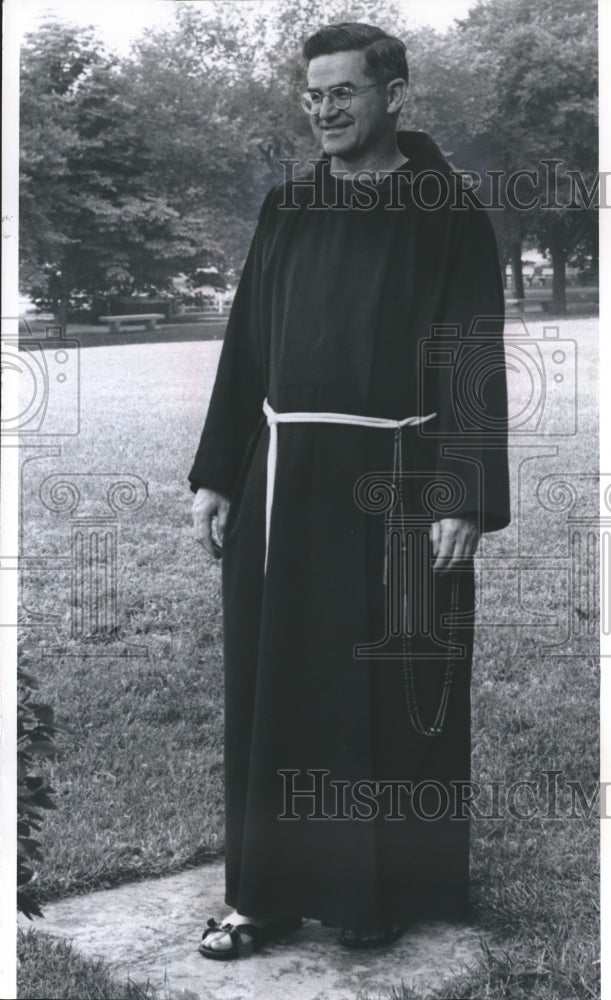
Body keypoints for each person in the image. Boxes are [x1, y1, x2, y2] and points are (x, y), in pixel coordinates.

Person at [189, 21, 510, 959]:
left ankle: (377, 891)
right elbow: (246, 340)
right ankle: (264, 894)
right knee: (274, 684)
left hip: (400, 480)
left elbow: (470, 358)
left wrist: (463, 489)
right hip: (283, 481)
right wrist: (217, 472)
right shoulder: (285, 206)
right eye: (313, 93)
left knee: (383, 682)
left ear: (395, 94)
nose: (324, 108)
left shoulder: (446, 210)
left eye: (344, 91)